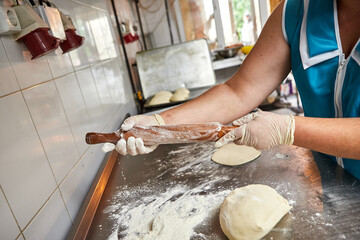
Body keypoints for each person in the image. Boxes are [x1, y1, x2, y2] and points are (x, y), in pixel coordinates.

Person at [108, 0, 360, 178]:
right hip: (333, 179)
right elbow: (238, 91)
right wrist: (159, 122)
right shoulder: (296, 11)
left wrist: (289, 129)